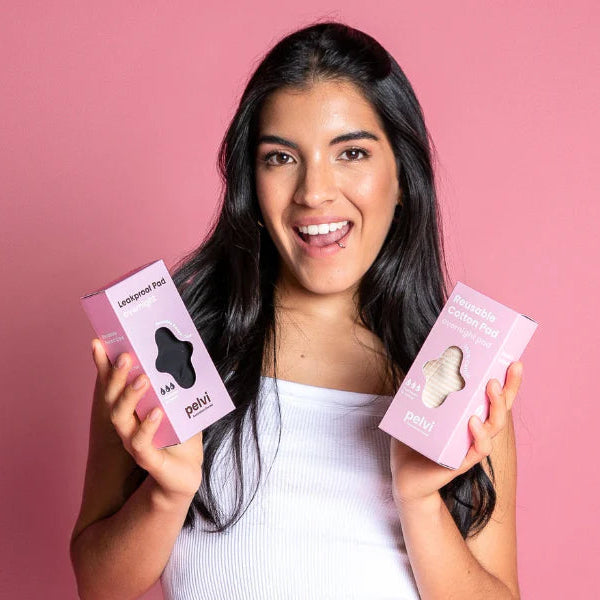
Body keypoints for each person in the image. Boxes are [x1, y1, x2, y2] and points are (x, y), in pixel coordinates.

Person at [70, 20, 523, 600]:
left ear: (403, 177)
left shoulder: (459, 377)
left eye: (352, 153)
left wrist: (419, 503)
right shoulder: (174, 348)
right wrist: (167, 495)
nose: (314, 191)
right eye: (281, 157)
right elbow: (98, 585)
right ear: (250, 182)